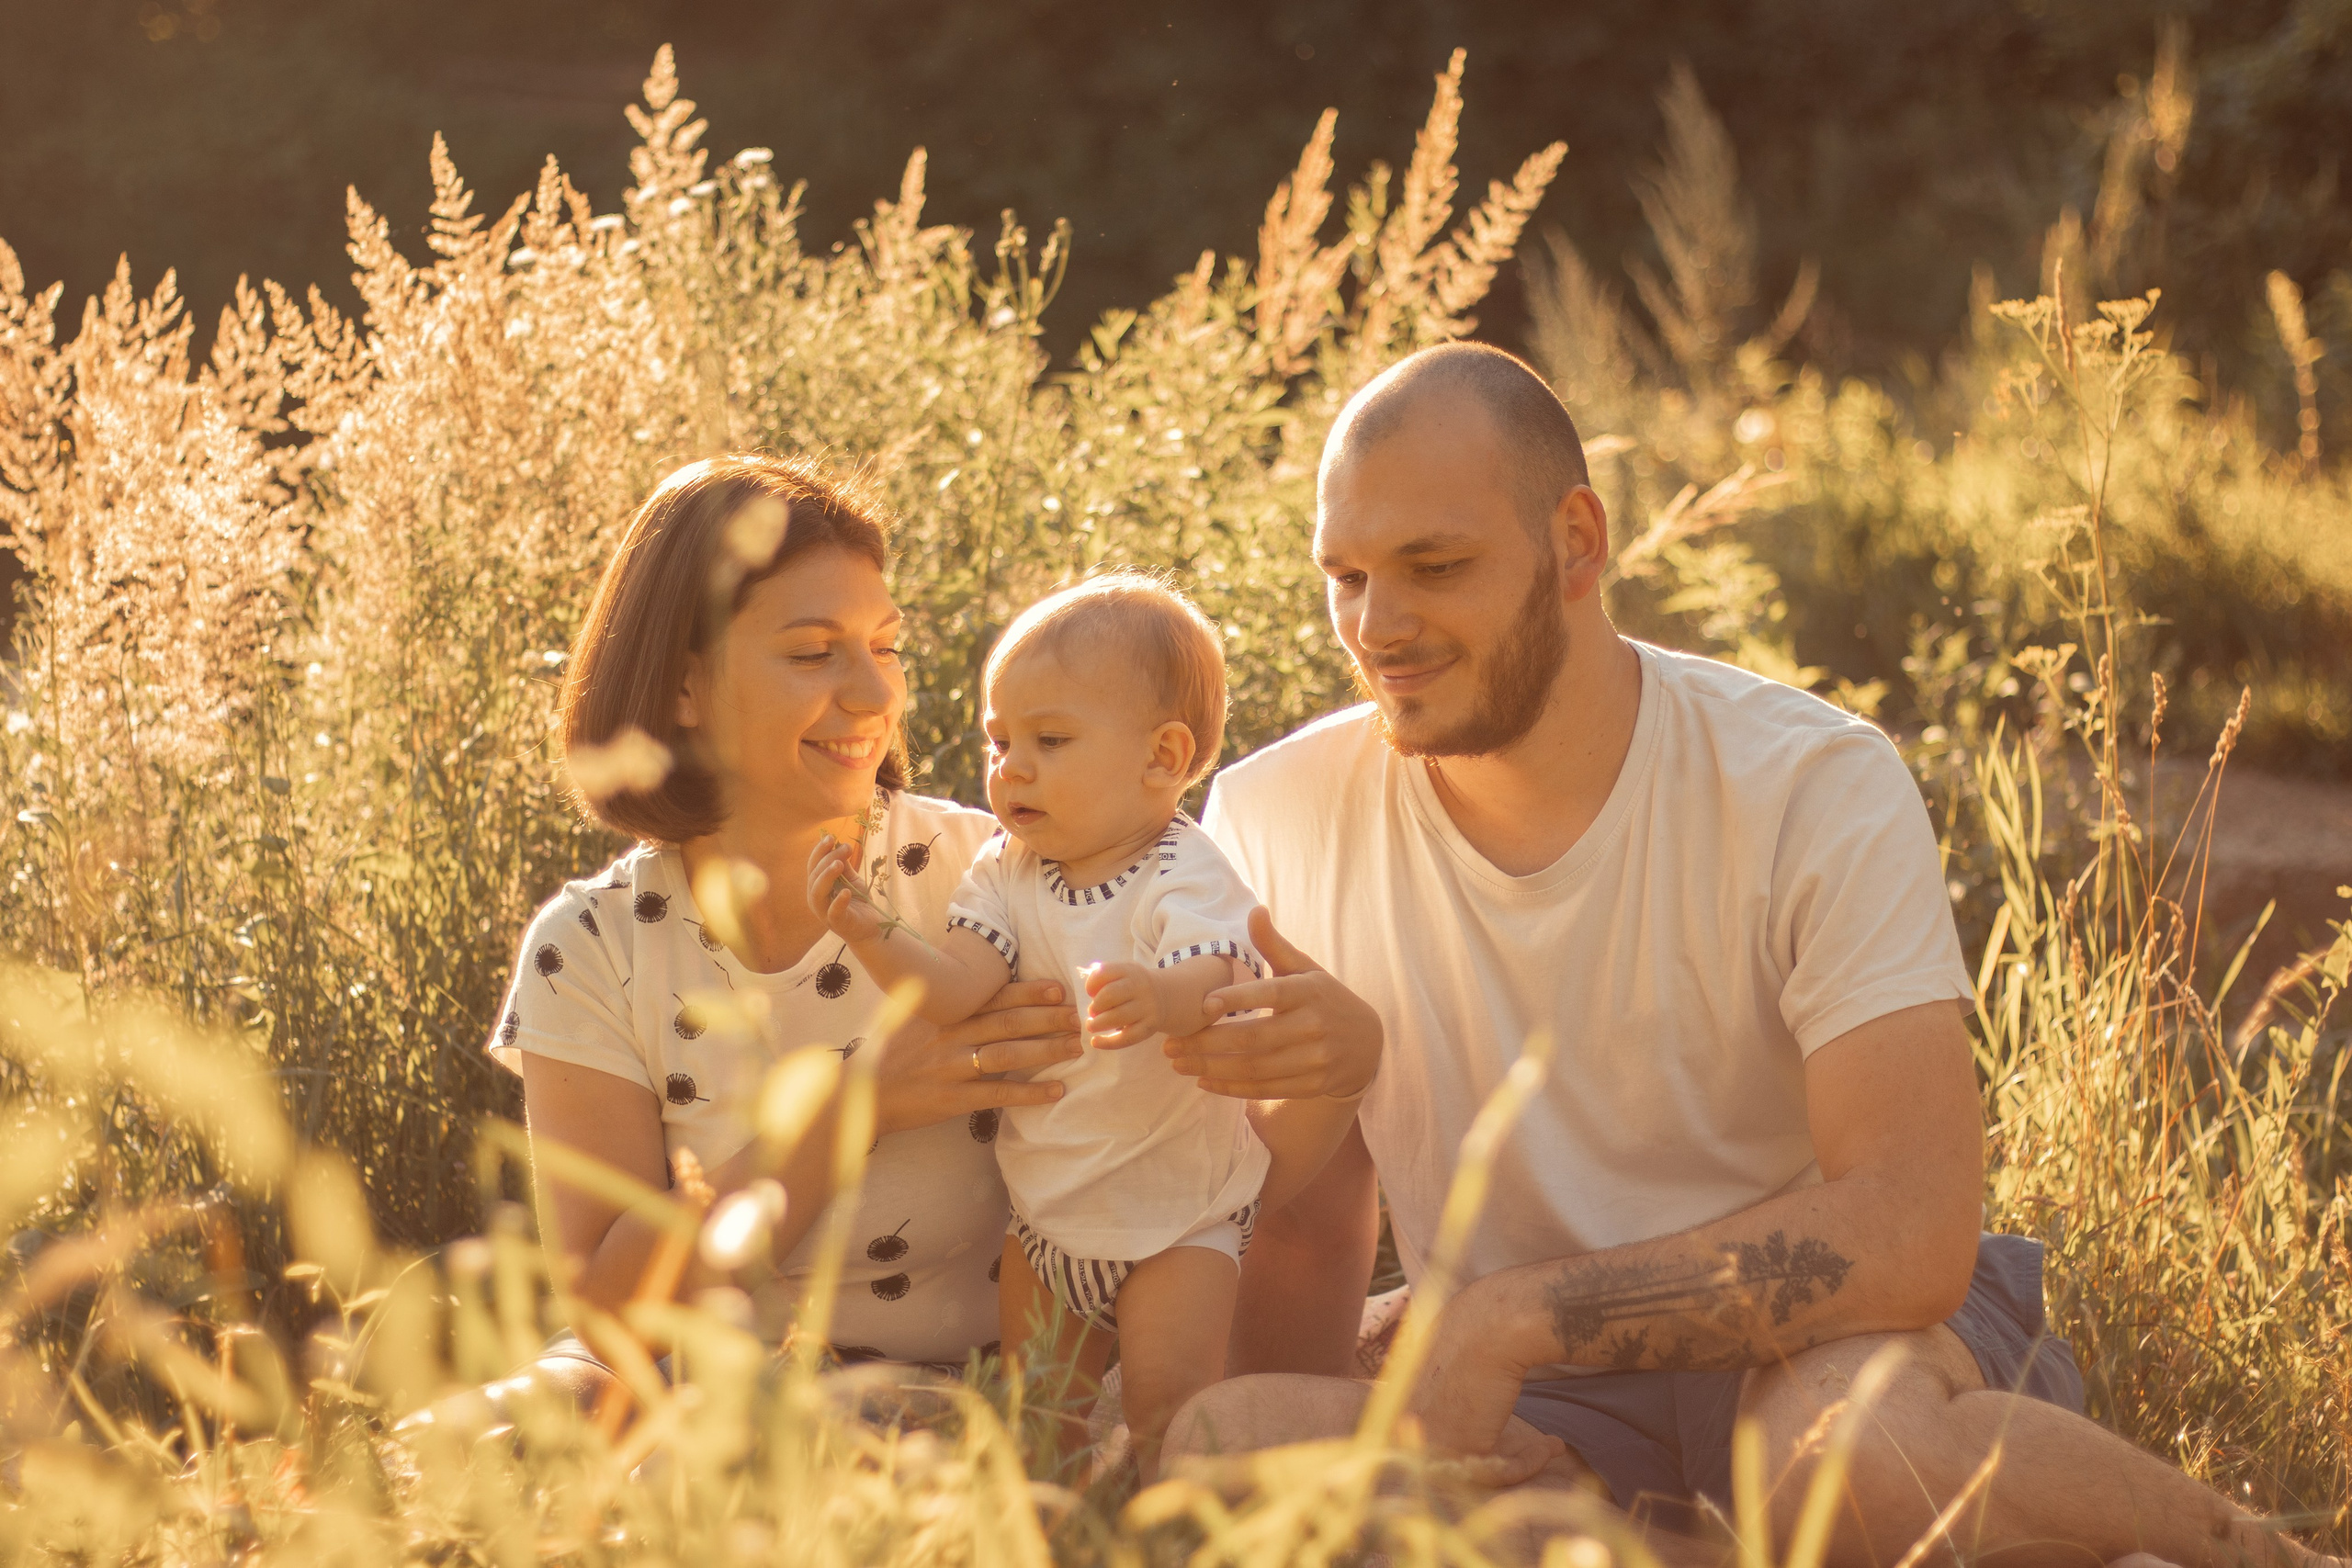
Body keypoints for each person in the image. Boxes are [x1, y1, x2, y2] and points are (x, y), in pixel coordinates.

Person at [1159, 343, 2343, 1568]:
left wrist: (1511, 1314)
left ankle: (2253, 1551)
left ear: (1576, 541)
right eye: (1343, 575)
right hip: (1544, 1405)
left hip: (1842, 1341)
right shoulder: (1275, 814)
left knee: (1838, 1469)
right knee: (1227, 1447)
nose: (1377, 624)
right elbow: (1305, 1227)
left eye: (1434, 567)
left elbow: (1913, 1224)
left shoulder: (1806, 779)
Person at [485, 454, 1087, 1392]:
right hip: (678, 1377)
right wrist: (855, 1108)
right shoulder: (588, 948)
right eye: (814, 653)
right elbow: (612, 1313)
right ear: (683, 688)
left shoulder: (998, 879)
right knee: (470, 1438)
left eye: (885, 646)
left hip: (944, 1392)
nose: (875, 694)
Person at [807, 571, 1363, 1474]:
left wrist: (1159, 998)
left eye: (1049, 740)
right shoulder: (1006, 869)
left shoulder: (1183, 870)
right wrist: (869, 933)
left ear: (1162, 756)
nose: (1009, 767)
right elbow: (953, 987)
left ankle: (1158, 1513)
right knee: (1041, 1414)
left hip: (1176, 1218)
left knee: (1166, 1408)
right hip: (1047, 1218)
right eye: (999, 739)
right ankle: (1055, 1520)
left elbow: (1214, 976)